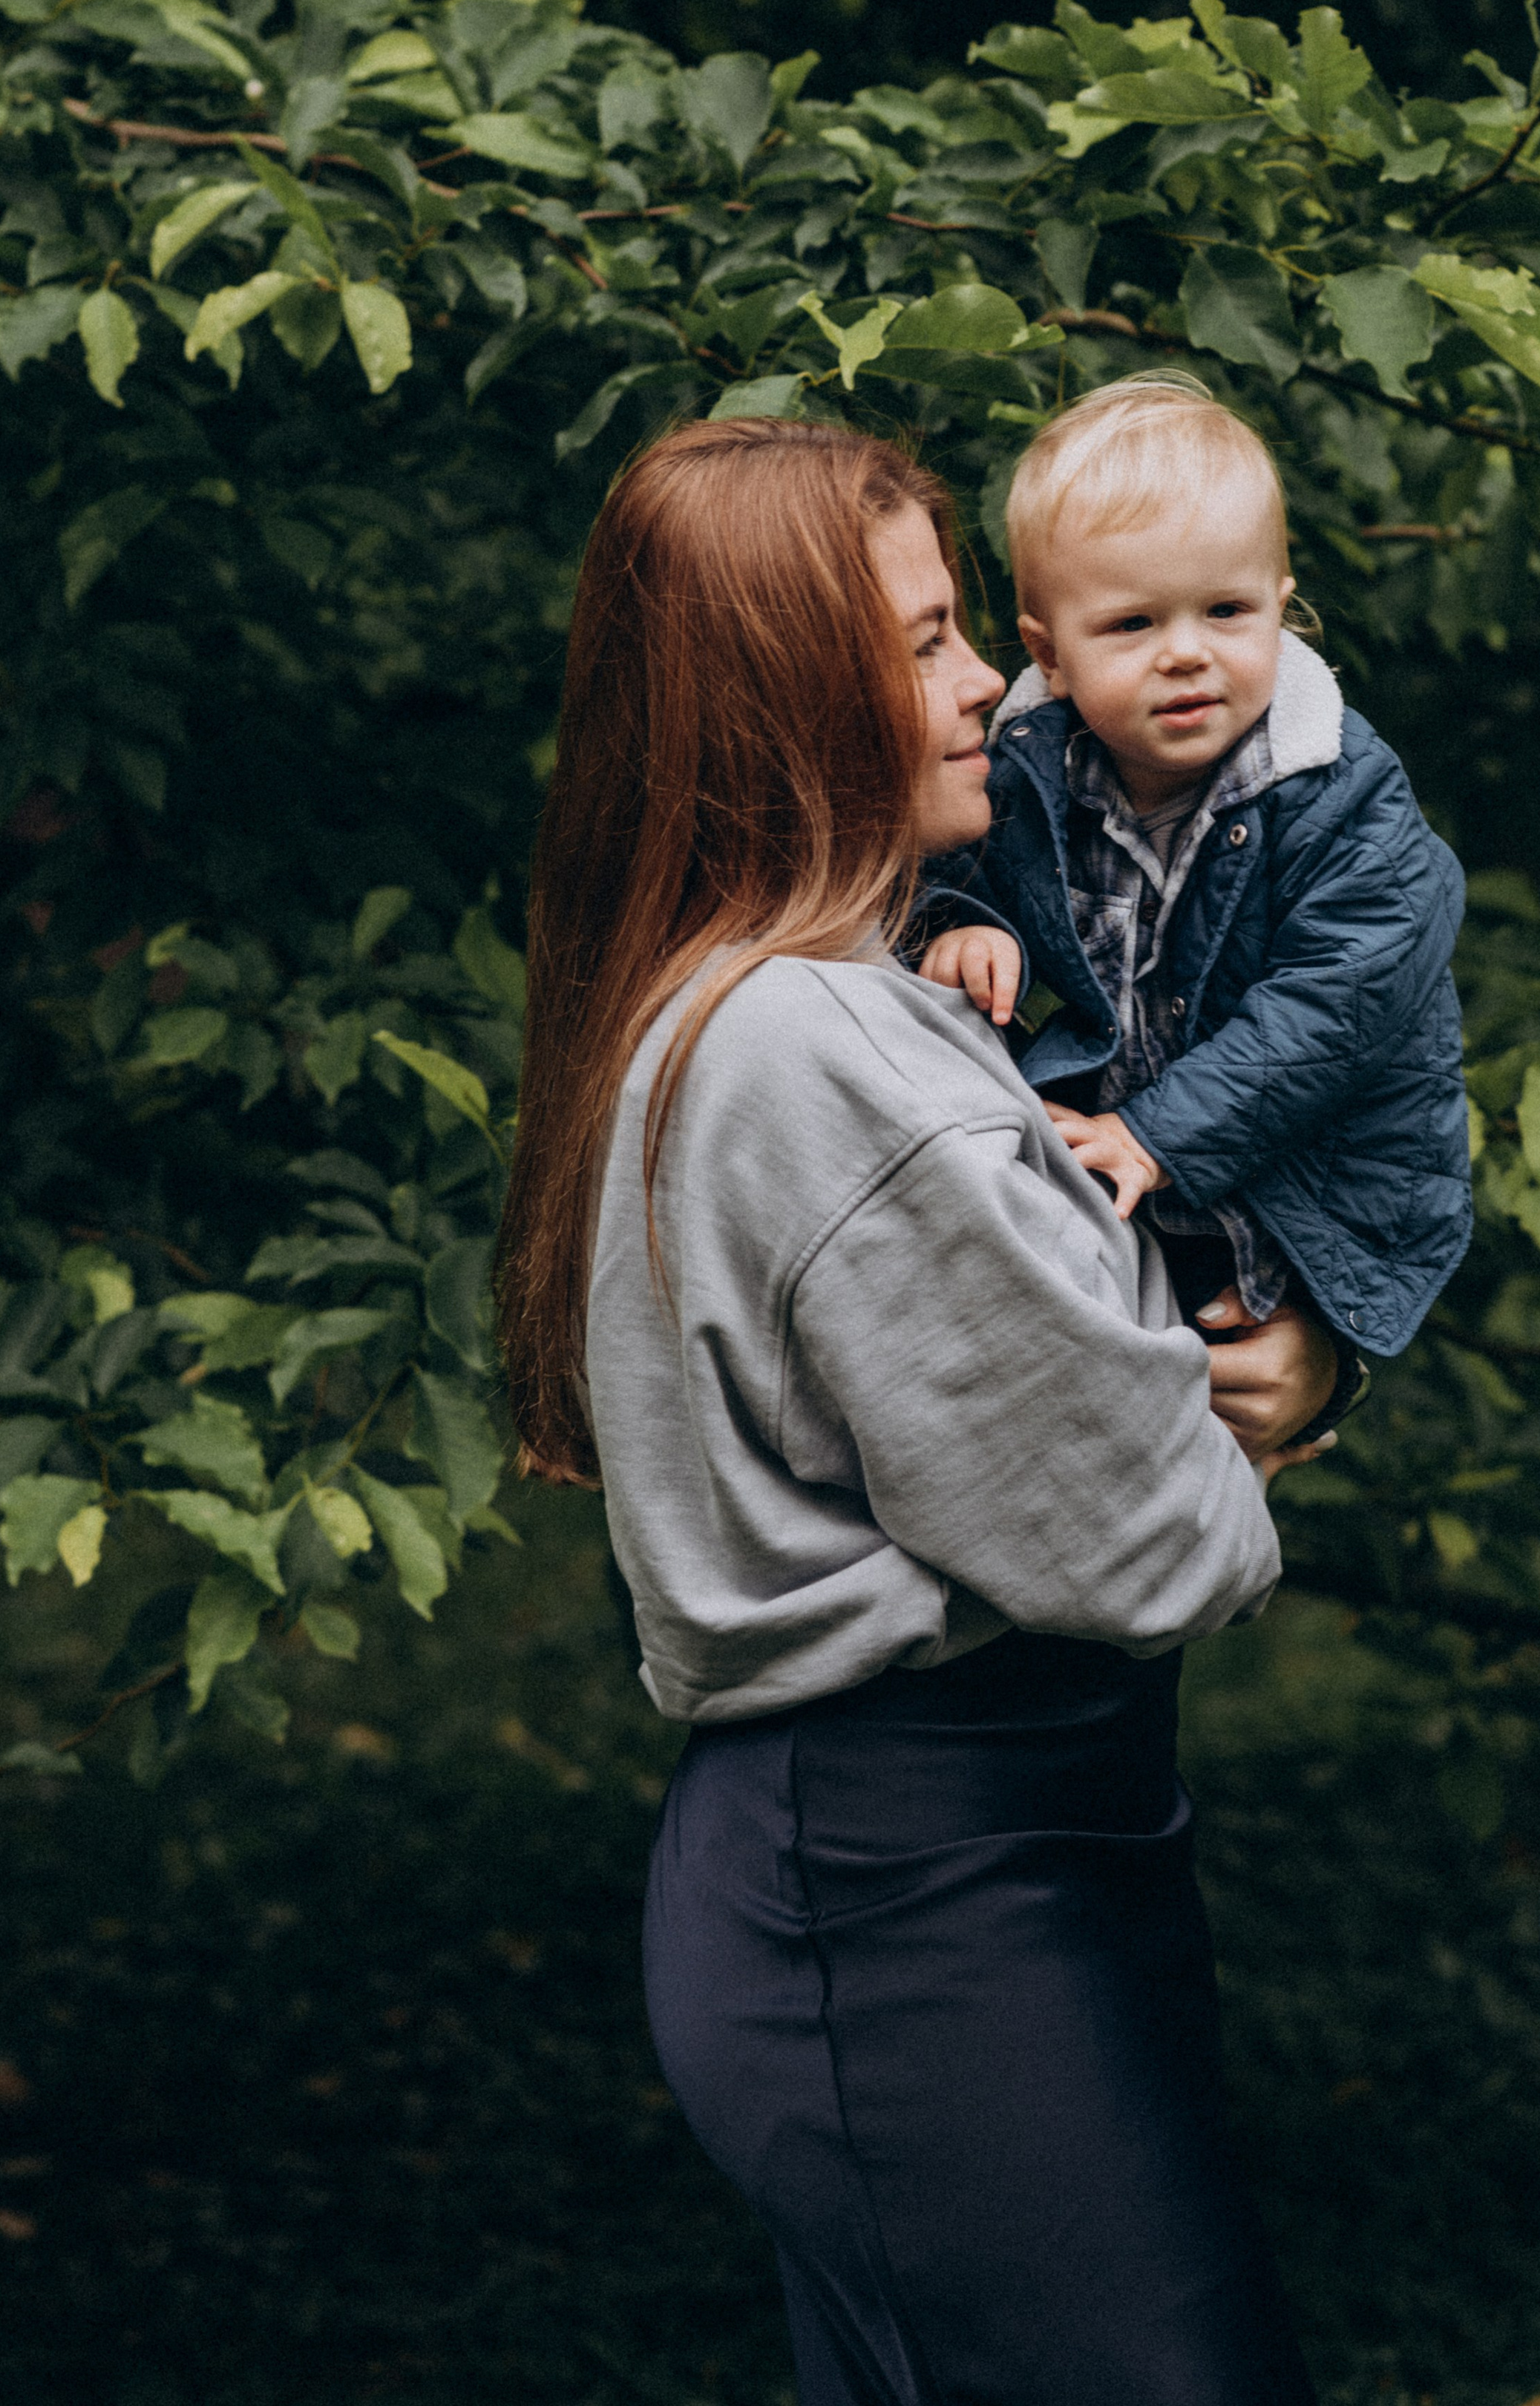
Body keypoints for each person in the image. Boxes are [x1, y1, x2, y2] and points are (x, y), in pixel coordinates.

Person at [497, 413, 1334, 2406]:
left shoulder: (836, 995)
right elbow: (1143, 1536)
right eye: (936, 636)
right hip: (918, 1893)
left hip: (967, 1854)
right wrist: (1277, 1401)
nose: (996, 684)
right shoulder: (808, 1050)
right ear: (792, 686)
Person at [919, 373, 1471, 1414]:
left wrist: (1157, 1137)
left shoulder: (1340, 795)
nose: (1187, 653)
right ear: (1049, 655)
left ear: (1281, 603)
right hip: (1135, 1190)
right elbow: (941, 875)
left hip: (1306, 1186)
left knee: (1231, 1417)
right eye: (1132, 625)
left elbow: (1333, 1012)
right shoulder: (1027, 772)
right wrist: (959, 925)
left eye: (1226, 610)